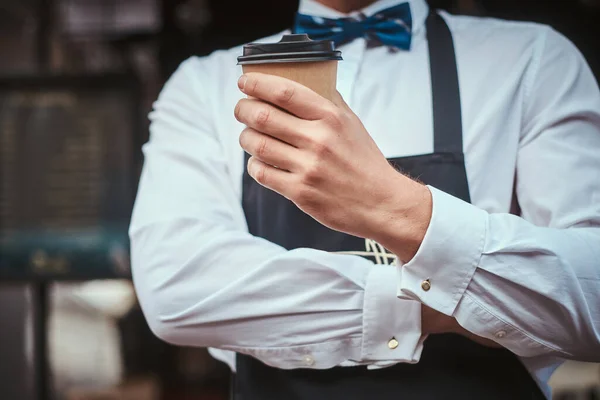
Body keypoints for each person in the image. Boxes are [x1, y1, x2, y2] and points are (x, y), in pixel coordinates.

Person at [129, 0, 600, 398]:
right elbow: (177, 291)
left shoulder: (531, 59)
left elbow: (592, 294)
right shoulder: (204, 84)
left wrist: (396, 207)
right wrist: (455, 305)